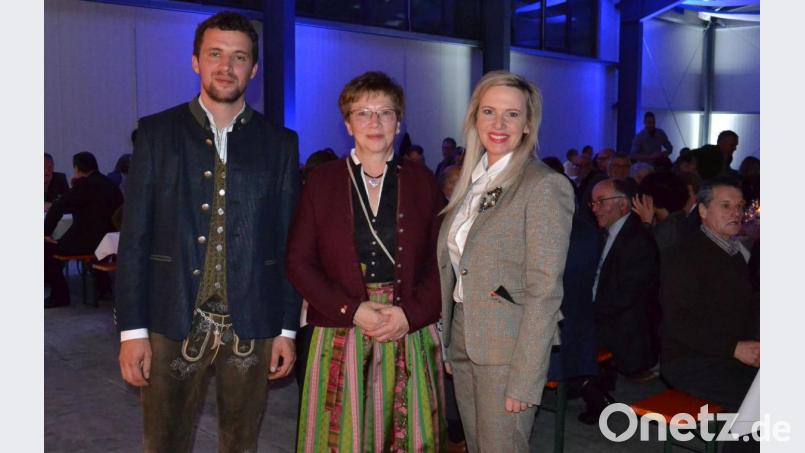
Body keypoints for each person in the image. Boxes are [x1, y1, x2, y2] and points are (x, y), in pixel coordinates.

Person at [114, 12, 300, 452]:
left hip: (253, 323)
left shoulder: (281, 143)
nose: (226, 66)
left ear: (253, 69)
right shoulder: (156, 134)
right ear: (196, 60)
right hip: (170, 315)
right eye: (215, 54)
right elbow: (135, 236)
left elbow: (287, 242)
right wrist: (132, 331)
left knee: (241, 443)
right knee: (164, 442)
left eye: (239, 57)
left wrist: (287, 330)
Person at [286, 71, 446, 452]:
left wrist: (410, 314)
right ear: (348, 124)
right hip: (342, 329)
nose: (375, 123)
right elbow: (298, 261)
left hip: (407, 327)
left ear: (398, 122)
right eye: (363, 113)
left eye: (385, 113)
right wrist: (352, 310)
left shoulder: (424, 181)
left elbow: (444, 262)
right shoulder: (321, 181)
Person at [438, 71, 574, 451]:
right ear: (474, 118)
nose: (499, 124)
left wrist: (525, 378)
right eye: (489, 111)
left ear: (528, 123)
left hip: (509, 351)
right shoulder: (472, 181)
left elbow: (546, 290)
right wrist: (451, 340)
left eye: (512, 114)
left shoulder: (544, 185)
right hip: (466, 335)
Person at [661, 176, 758, 413]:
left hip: (726, 352)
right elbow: (679, 322)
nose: (736, 212)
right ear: (703, 210)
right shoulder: (684, 254)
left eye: (739, 206)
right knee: (760, 399)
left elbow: (746, 306)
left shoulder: (734, 251)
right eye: (725, 206)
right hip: (691, 359)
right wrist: (734, 347)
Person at [585, 178, 660, 421]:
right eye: (593, 202)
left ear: (623, 205)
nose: (594, 207)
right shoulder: (607, 233)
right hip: (610, 315)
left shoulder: (637, 240)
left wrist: (587, 313)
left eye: (601, 201)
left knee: (564, 336)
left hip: (624, 326)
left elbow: (626, 297)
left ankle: (592, 391)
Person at [44, 151, 124, 308]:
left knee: (47, 248)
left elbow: (58, 208)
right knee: (97, 249)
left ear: (77, 169)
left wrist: (45, 233)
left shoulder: (83, 186)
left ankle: (59, 296)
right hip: (111, 242)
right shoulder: (111, 186)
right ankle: (103, 287)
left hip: (88, 242)